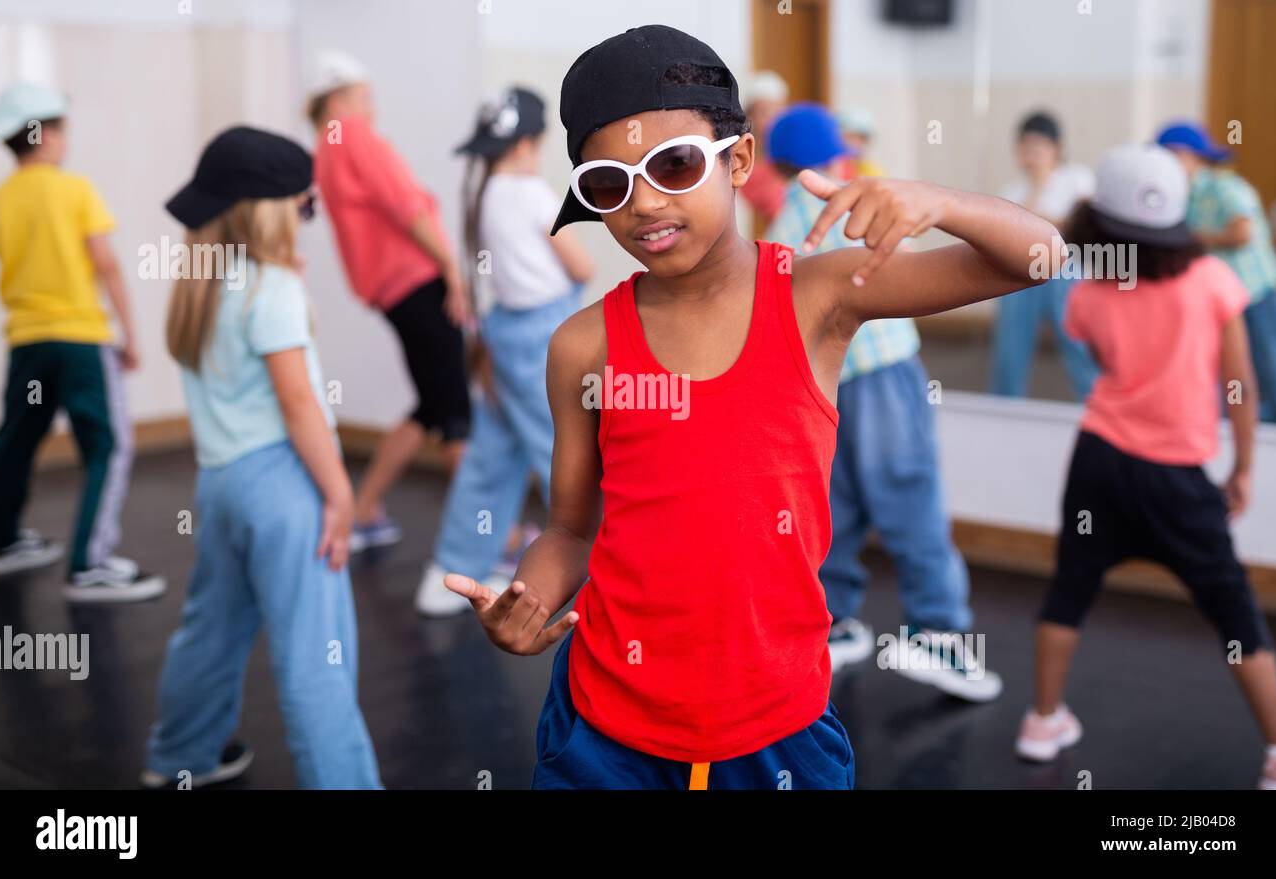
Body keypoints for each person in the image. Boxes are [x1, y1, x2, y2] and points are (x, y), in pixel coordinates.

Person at [443, 25, 1056, 790]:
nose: (646, 202)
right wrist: (526, 601)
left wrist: (940, 201)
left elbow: (1040, 256)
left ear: (737, 160)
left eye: (674, 164)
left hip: (777, 735)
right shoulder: (582, 345)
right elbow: (571, 525)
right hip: (603, 732)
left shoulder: (815, 296)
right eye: (611, 183)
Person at [1014, 144, 1276, 792]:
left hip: (1100, 462)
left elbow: (1097, 346)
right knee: (1234, 610)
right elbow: (1239, 385)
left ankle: (1042, 720)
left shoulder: (1087, 291)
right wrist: (1244, 466)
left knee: (1070, 588)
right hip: (1179, 477)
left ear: (1097, 219)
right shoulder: (1216, 282)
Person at [144, 127, 381, 790]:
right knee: (317, 656)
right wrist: (339, 495)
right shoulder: (270, 286)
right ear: (273, 211)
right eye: (306, 208)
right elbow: (300, 404)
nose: (307, 221)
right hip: (285, 486)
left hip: (221, 483)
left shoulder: (204, 283)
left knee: (209, 632)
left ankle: (176, 756)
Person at [765, 103, 999, 702]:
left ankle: (834, 620)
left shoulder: (777, 232)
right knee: (911, 497)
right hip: (885, 373)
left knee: (834, 504)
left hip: (826, 385)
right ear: (836, 152)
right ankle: (941, 633)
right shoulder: (854, 203)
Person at [415, 87, 592, 616]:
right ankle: (602, 572)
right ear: (527, 145)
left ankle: (452, 568)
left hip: (505, 331)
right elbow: (580, 267)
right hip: (544, 332)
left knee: (493, 455)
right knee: (567, 450)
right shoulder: (534, 194)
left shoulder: (484, 193)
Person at [0, 82, 164, 601]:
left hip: (28, 342)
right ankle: (91, 563)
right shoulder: (75, 189)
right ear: (48, 135)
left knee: (16, 438)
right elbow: (106, 265)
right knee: (107, 444)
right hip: (82, 341)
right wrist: (129, 335)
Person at [307, 49, 472, 551]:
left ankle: (364, 510)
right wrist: (450, 267)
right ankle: (495, 539)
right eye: (365, 97)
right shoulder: (352, 134)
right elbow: (404, 206)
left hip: (392, 292)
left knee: (431, 403)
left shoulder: (324, 149)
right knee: (454, 411)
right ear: (339, 98)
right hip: (419, 283)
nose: (372, 109)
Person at [1158, 120, 1276, 424]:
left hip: (1256, 296)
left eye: (1171, 155)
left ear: (1194, 156)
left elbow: (1242, 232)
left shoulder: (1224, 187)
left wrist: (1193, 238)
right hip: (1221, 304)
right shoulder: (1180, 196)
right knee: (1232, 379)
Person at [990, 110, 1098, 400]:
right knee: (1011, 340)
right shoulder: (1012, 190)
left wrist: (1035, 220)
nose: (1033, 153)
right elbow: (1007, 237)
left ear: (1057, 148)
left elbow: (1083, 227)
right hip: (1024, 271)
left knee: (1079, 342)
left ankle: (1095, 401)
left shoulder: (1077, 178)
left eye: (1040, 145)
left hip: (1068, 269)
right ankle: (1005, 403)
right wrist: (1037, 191)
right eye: (1026, 146)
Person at [738, 69, 789, 225]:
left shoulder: (793, 159)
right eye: (764, 112)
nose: (773, 120)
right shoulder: (741, 163)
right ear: (749, 116)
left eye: (778, 111)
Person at [836, 107, 887, 178]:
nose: (857, 143)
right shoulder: (828, 165)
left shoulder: (870, 170)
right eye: (851, 136)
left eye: (862, 138)